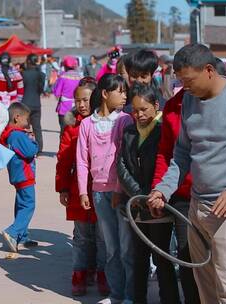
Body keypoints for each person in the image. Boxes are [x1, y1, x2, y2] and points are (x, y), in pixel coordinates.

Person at [147, 43, 226, 304]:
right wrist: (162, 189)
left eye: (188, 81)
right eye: (180, 81)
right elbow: (183, 155)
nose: (184, 87)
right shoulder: (188, 99)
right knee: (204, 286)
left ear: (209, 70)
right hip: (196, 208)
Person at [116, 83, 180, 304]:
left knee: (162, 257)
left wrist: (154, 195)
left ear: (155, 105)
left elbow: (170, 164)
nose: (139, 114)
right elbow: (122, 164)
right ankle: (138, 299)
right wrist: (136, 194)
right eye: (134, 110)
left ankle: (169, 299)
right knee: (138, 256)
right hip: (136, 204)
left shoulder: (164, 129)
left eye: (144, 109)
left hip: (158, 203)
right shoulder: (129, 131)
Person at [76, 74, 134, 303]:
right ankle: (116, 294)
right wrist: (83, 191)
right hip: (99, 193)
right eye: (119, 92)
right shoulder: (87, 124)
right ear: (104, 94)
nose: (124, 96)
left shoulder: (125, 120)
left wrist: (119, 190)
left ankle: (130, 295)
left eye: (125, 92)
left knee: (127, 248)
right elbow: (82, 160)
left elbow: (125, 159)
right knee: (111, 249)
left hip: (121, 194)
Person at [56, 77, 109, 296]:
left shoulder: (105, 124)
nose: (81, 104)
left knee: (102, 236)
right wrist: (63, 188)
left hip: (102, 188)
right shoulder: (71, 128)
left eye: (86, 100)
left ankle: (102, 275)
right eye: (77, 100)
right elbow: (63, 161)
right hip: (79, 191)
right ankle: (79, 274)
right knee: (81, 236)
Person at [152, 88, 201, 304]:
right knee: (183, 256)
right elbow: (166, 152)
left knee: (203, 261)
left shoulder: (218, 101)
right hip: (179, 194)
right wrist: (158, 189)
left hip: (213, 196)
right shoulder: (173, 105)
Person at [0, 103, 39, 251]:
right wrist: (33, 141)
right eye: (26, 119)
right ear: (17, 117)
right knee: (29, 204)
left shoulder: (9, 134)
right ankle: (13, 232)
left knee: (21, 204)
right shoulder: (17, 134)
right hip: (24, 174)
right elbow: (30, 151)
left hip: (18, 174)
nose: (27, 123)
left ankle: (22, 236)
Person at [21, 54, 45, 154]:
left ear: (29, 61)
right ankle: (39, 149)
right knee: (37, 127)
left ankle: (26, 147)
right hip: (36, 103)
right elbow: (41, 90)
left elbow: (22, 88)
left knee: (25, 127)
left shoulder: (24, 74)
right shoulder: (41, 74)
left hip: (25, 102)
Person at [53, 56, 82, 134]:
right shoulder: (80, 77)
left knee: (64, 131)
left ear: (65, 66)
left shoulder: (62, 77)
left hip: (64, 108)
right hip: (77, 108)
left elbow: (57, 93)